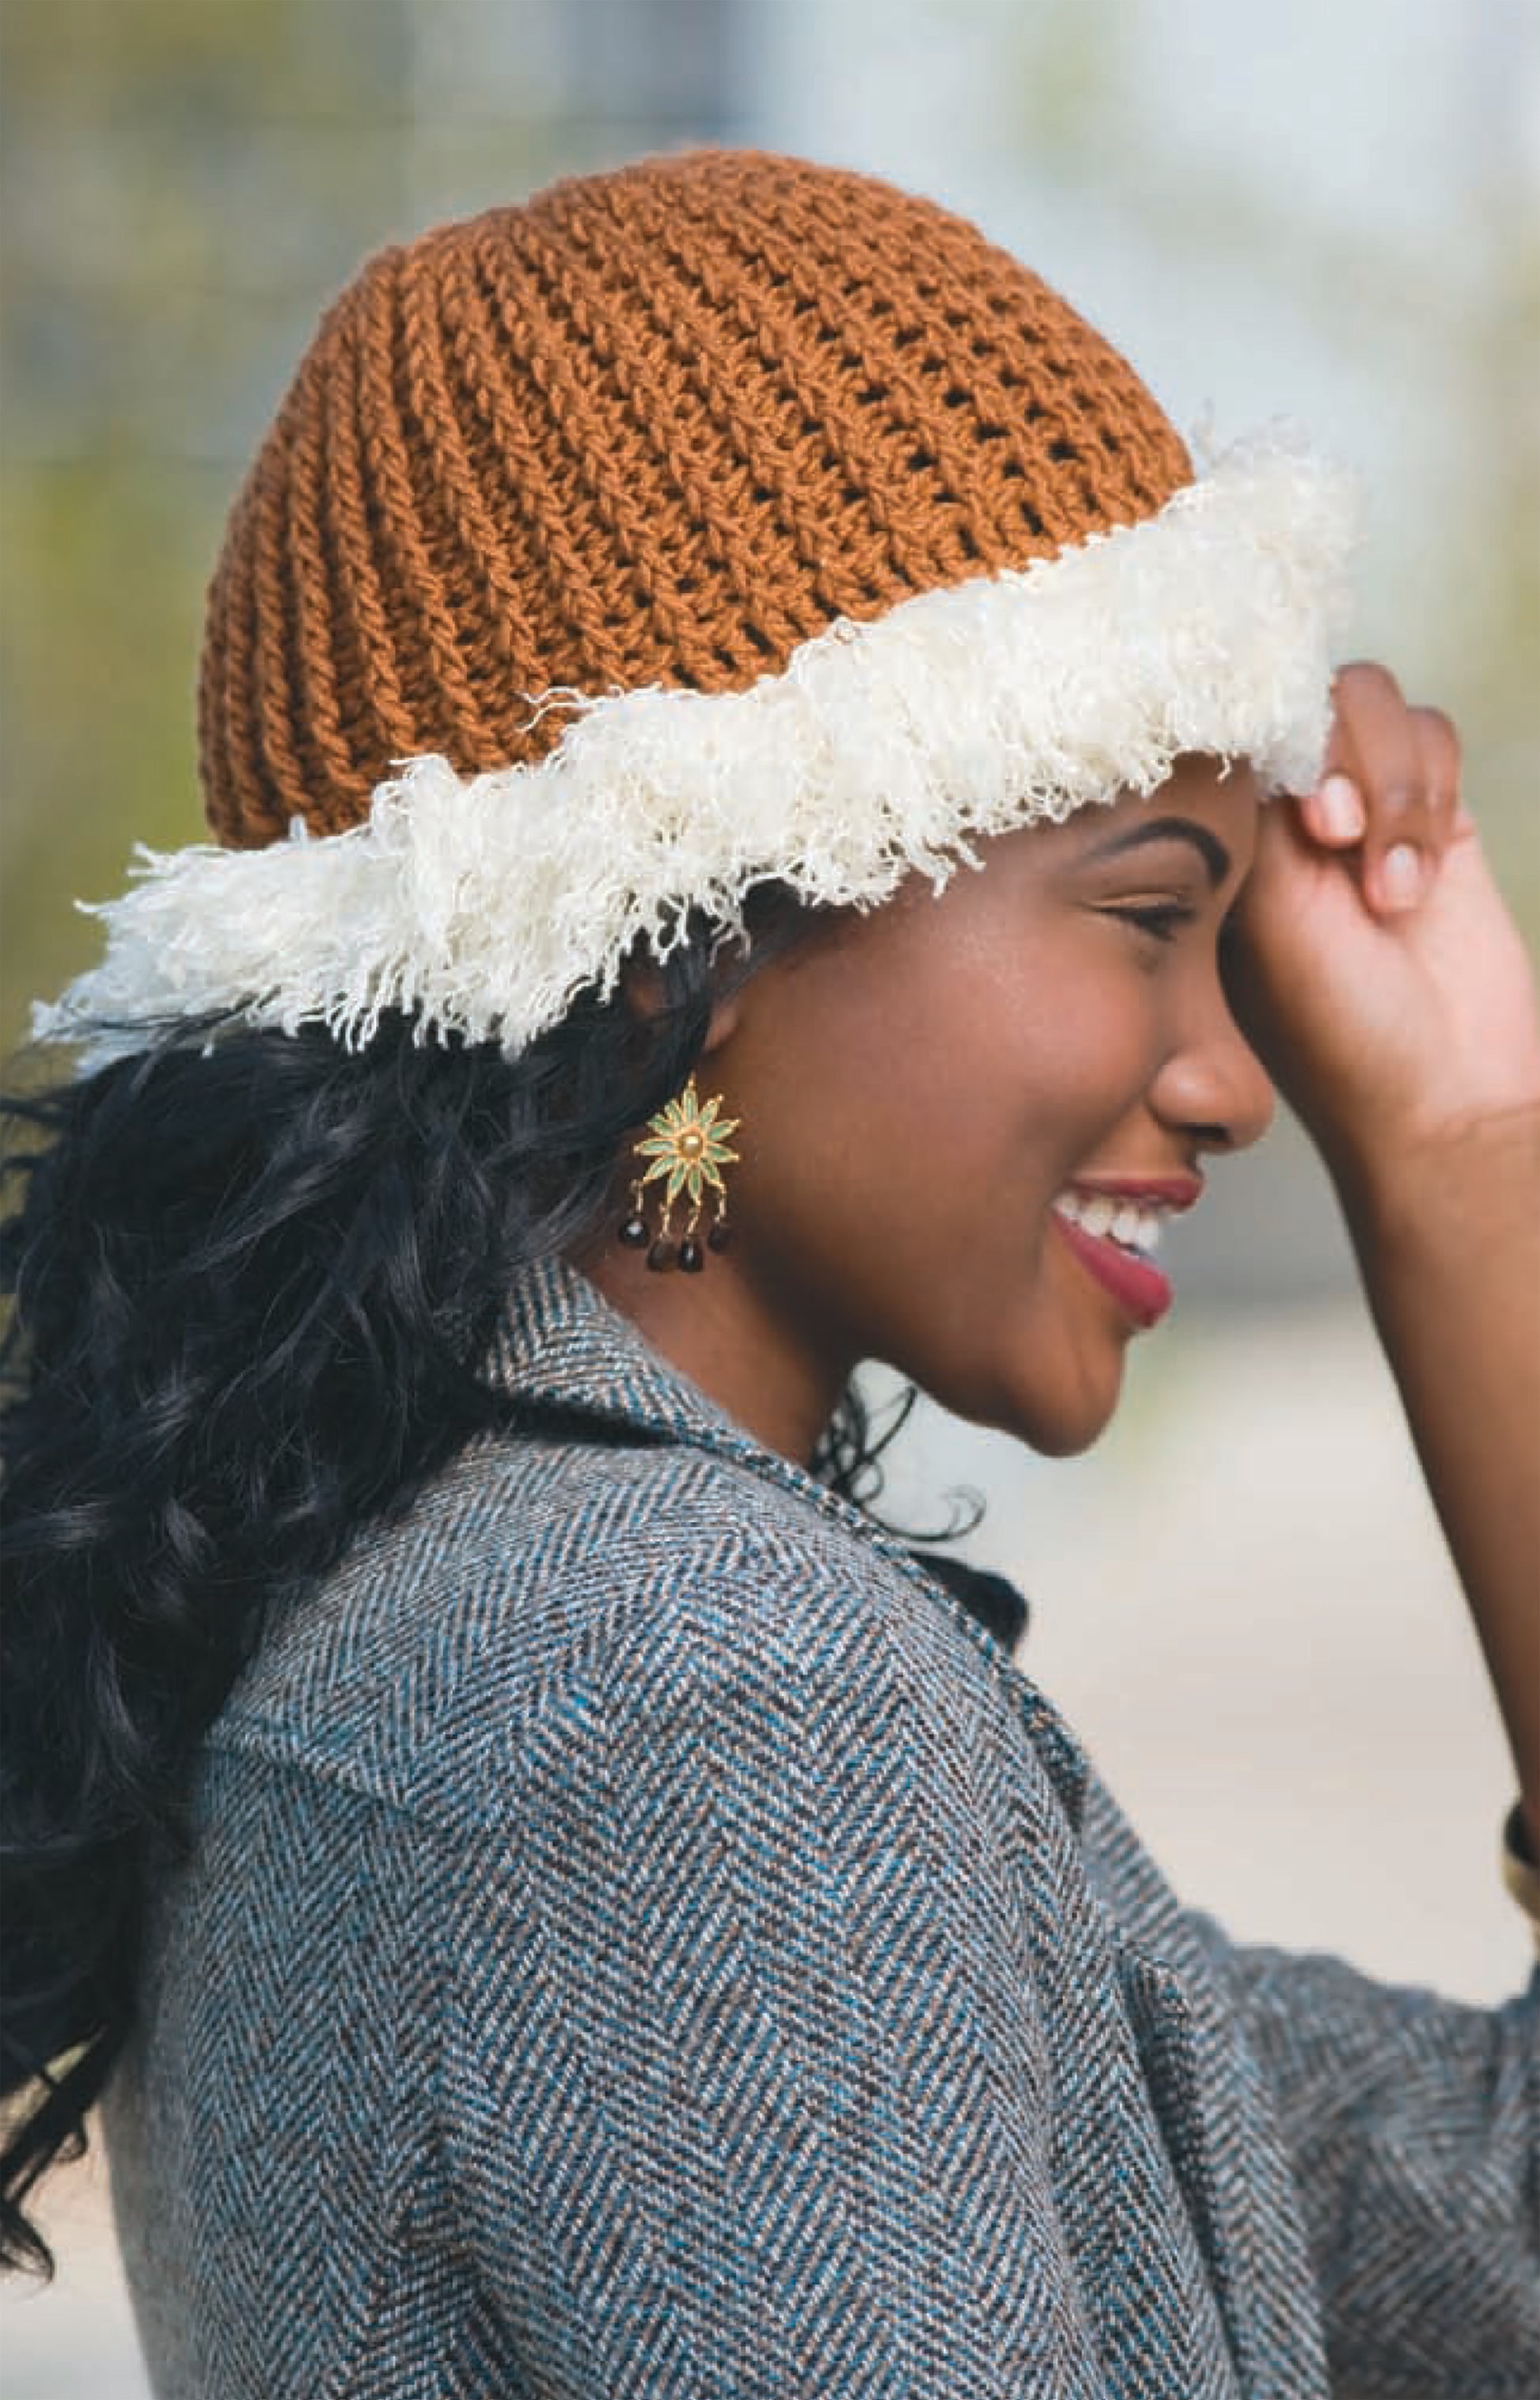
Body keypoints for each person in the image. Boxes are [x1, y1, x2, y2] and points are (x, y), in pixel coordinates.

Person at [2, 148, 1537, 2397]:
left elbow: (1489, 2237)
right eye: (1147, 915)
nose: (1235, 1077)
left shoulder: (488, 1607)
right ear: (695, 930)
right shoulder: (700, 1705)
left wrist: (1464, 1156)